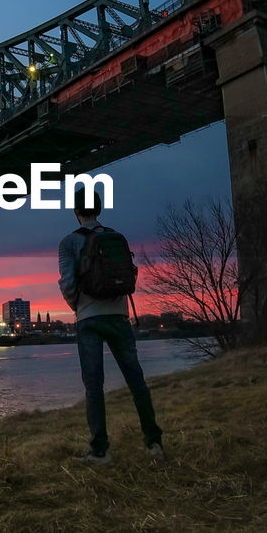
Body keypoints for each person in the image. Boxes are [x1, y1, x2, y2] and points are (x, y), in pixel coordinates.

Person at [58, 186, 164, 466]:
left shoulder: (69, 243)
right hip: (119, 317)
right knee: (136, 380)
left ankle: (100, 450)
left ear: (75, 212)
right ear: (99, 209)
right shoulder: (117, 237)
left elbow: (68, 284)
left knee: (94, 386)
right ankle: (154, 443)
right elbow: (128, 276)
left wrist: (77, 306)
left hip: (88, 320)